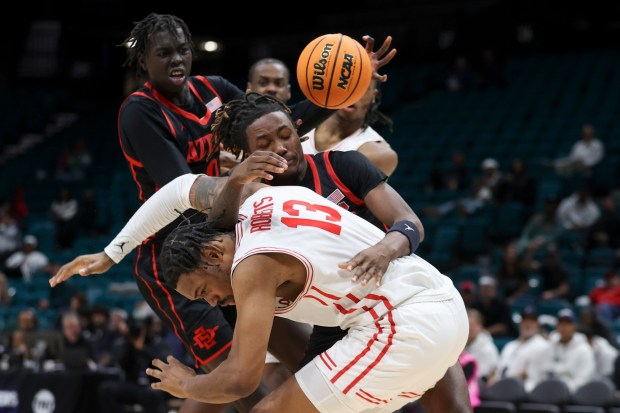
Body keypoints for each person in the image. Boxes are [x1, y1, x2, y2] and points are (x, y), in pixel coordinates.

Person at [51, 94, 472, 412]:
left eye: (204, 292)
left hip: (394, 313)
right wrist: (113, 252)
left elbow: (238, 379)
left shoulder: (331, 173)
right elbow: (179, 193)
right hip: (413, 304)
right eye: (265, 142)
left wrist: (185, 386)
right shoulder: (250, 193)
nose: (213, 303)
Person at [300, 79, 398, 176]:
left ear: (373, 96)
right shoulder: (297, 122)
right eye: (345, 84)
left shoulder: (379, 154)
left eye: (362, 88)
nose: (352, 93)